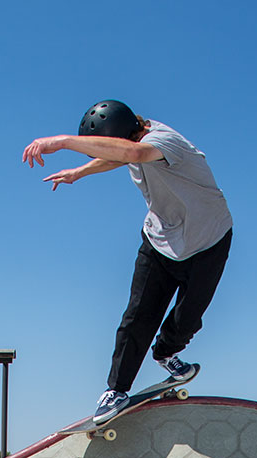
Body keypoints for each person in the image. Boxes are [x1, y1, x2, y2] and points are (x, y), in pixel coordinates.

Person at [22, 100, 233, 424]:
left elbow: (131, 154)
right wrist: (80, 172)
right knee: (137, 316)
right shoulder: (134, 138)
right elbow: (118, 156)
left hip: (208, 241)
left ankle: (166, 353)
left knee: (188, 316)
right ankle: (116, 389)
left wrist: (62, 142)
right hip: (160, 239)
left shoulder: (163, 140)